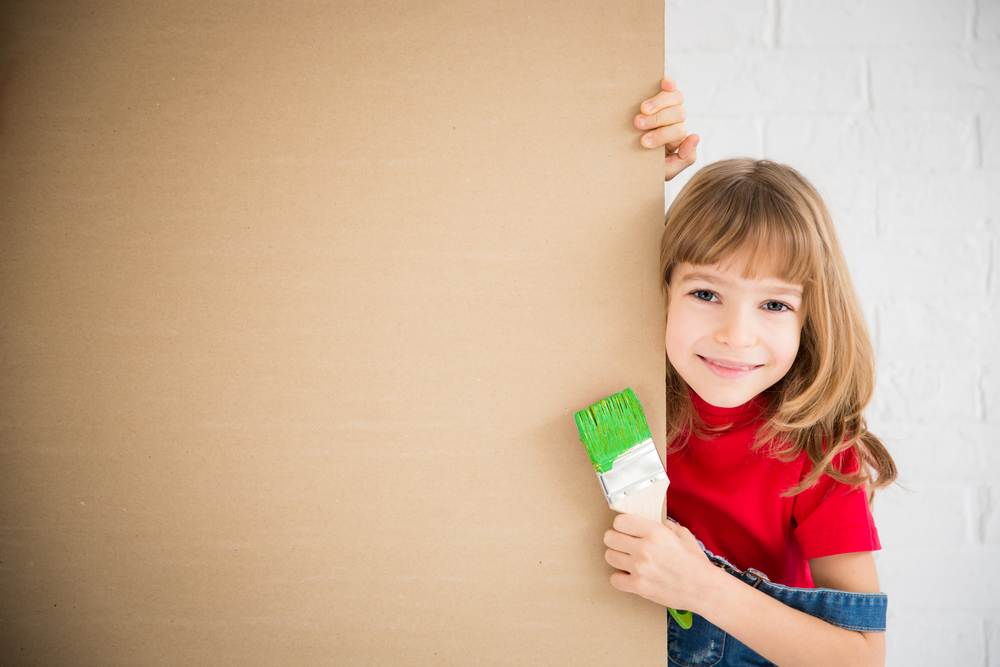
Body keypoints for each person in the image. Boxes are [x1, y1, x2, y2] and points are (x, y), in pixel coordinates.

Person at [608, 79, 898, 667]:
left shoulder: (820, 454)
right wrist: (623, 171)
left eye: (773, 304)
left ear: (809, 319)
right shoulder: (623, 406)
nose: (736, 334)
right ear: (661, 288)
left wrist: (702, 588)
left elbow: (862, 659)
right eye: (706, 292)